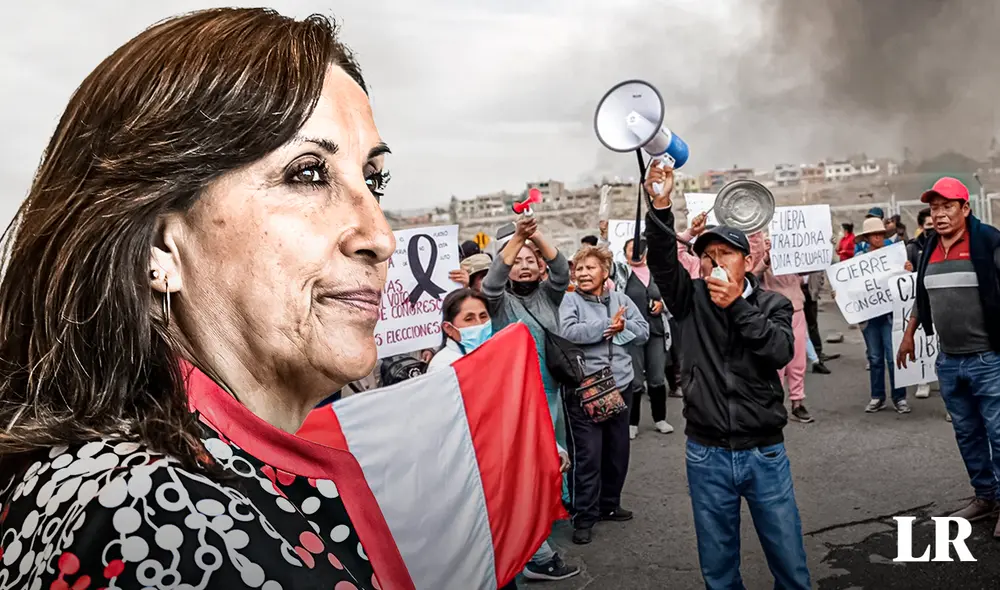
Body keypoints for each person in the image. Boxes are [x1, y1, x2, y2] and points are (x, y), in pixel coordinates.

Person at [0, 9, 413, 589]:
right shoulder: (149, 517)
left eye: (374, 179)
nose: (379, 236)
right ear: (160, 249)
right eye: (308, 174)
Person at [643, 162, 810, 589]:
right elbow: (663, 263)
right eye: (707, 256)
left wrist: (736, 304)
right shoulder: (689, 299)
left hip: (764, 453)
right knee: (718, 569)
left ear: (747, 260)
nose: (713, 263)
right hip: (706, 453)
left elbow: (777, 349)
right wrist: (660, 206)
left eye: (725, 255)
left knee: (789, 563)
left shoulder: (772, 304)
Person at [429, 289, 581, 582]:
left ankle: (538, 558)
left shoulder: (498, 356)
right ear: (450, 328)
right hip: (472, 469)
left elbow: (525, 409)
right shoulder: (443, 366)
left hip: (503, 460)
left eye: (483, 316)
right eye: (469, 318)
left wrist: (553, 446)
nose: (479, 323)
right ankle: (536, 560)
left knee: (516, 516)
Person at [898, 177, 1000, 533]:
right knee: (967, 433)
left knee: (999, 433)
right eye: (934, 208)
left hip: (989, 359)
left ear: (965, 208)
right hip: (949, 359)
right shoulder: (928, 247)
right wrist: (909, 333)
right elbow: (922, 297)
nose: (939, 215)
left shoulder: (988, 242)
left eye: (947, 207)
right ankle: (985, 497)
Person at [559, 245, 649, 545]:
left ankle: (609, 505)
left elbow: (644, 330)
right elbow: (567, 332)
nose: (583, 273)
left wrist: (622, 328)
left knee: (617, 452)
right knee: (588, 456)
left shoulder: (622, 300)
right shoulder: (569, 300)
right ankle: (584, 516)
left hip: (620, 385)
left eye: (590, 268)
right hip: (586, 389)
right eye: (579, 269)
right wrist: (605, 326)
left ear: (605, 272)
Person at [482, 216, 571, 485]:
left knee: (558, 452)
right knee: (524, 454)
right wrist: (519, 238)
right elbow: (491, 283)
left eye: (530, 261)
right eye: (517, 262)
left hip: (550, 387)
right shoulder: (498, 302)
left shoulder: (549, 295)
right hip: (514, 390)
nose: (524, 267)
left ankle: (561, 503)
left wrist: (536, 236)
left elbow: (562, 271)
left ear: (540, 266)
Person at [611, 238, 675, 439]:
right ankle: (632, 422)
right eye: (632, 249)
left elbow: (671, 296)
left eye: (640, 249)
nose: (636, 253)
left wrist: (661, 305)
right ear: (625, 253)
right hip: (631, 334)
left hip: (656, 331)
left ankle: (660, 419)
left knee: (657, 377)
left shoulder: (657, 272)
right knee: (636, 379)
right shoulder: (621, 274)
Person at [751, 234, 815, 423]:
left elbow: (806, 273)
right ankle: (774, 403)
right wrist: (766, 258)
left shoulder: (791, 237)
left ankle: (797, 402)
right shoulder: (755, 241)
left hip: (796, 307)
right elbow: (751, 276)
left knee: (798, 359)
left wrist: (820, 250)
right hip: (773, 310)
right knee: (776, 360)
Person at [856, 217, 910, 414]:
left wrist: (907, 271)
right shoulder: (859, 257)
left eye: (880, 233)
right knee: (875, 357)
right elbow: (851, 284)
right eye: (873, 234)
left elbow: (903, 279)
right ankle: (877, 396)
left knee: (892, 357)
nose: (877, 237)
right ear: (868, 237)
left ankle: (899, 397)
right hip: (870, 317)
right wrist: (841, 294)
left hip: (889, 315)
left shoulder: (893, 255)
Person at [906, 207, 936, 399]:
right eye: (928, 227)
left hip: (941, 303)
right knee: (922, 342)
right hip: (921, 302)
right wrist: (907, 270)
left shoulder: (944, 245)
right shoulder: (912, 248)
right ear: (921, 227)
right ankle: (923, 380)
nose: (932, 230)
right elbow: (904, 278)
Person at [801, 271, 838, 373]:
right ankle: (801, 356)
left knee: (812, 324)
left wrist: (817, 286)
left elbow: (820, 271)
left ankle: (817, 353)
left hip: (810, 291)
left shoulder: (813, 257)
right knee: (796, 327)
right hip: (795, 293)